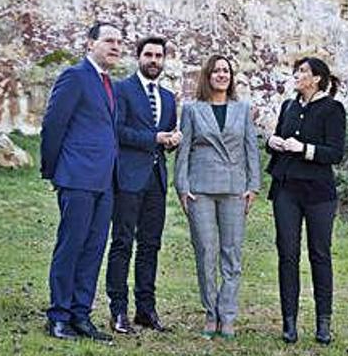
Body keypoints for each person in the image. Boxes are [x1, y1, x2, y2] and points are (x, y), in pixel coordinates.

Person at [40, 22, 123, 343]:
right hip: (76, 177)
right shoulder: (74, 77)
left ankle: (80, 315)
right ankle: (58, 316)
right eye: (108, 40)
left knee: (93, 249)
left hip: (105, 181)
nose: (115, 46)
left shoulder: (108, 83)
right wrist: (53, 172)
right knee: (71, 246)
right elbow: (53, 125)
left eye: (119, 42)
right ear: (90, 44)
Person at [174, 54, 260, 340]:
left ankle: (228, 314)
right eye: (216, 71)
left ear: (231, 77)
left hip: (235, 190)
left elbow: (251, 150)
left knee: (232, 255)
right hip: (200, 190)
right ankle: (211, 313)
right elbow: (183, 152)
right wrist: (181, 187)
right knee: (206, 253)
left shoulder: (243, 109)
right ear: (207, 76)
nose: (222, 75)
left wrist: (254, 186)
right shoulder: (192, 110)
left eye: (226, 71)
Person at [266, 57, 345, 345]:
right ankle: (289, 322)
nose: (297, 76)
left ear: (317, 79)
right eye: (297, 71)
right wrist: (272, 142)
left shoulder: (333, 109)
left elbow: (335, 152)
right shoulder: (289, 105)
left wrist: (305, 149)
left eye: (303, 72)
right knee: (287, 254)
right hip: (286, 189)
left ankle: (323, 323)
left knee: (319, 255)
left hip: (318, 193)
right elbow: (277, 137)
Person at [106, 36, 182, 334]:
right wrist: (154, 138)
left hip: (156, 180)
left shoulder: (168, 97)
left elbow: (166, 136)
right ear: (138, 58)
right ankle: (118, 311)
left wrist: (172, 141)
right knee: (122, 242)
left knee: (151, 245)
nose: (154, 60)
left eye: (159, 56)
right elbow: (118, 130)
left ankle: (146, 310)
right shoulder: (122, 89)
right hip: (127, 178)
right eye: (149, 55)